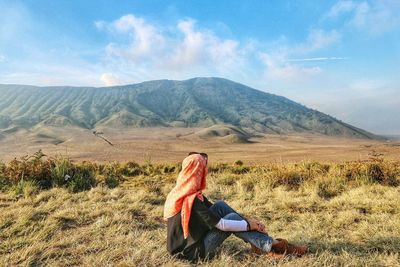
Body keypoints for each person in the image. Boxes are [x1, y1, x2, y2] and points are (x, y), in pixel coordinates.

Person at [163, 152, 308, 262]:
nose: (206, 172)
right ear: (195, 171)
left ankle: (259, 245)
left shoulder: (181, 193)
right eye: (203, 168)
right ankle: (275, 246)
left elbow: (214, 213)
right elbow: (222, 224)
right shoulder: (191, 200)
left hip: (189, 244)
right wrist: (248, 226)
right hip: (190, 253)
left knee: (220, 206)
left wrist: (249, 222)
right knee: (231, 219)